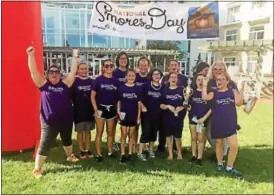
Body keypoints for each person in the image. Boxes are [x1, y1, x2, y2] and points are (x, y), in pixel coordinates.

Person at [27, 46, 79, 179]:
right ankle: (37, 169)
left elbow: (73, 72)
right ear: (48, 74)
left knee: (67, 139)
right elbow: (33, 72)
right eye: (51, 72)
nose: (54, 74)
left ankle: (69, 156)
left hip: (66, 119)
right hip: (49, 121)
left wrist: (75, 56)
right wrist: (31, 55)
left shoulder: (65, 83)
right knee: (45, 143)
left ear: (60, 74)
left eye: (56, 72)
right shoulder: (44, 84)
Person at [202, 72, 244, 179]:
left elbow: (239, 103)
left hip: (230, 122)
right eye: (217, 80)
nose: (219, 81)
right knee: (219, 143)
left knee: (234, 146)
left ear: (227, 81)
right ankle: (220, 163)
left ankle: (229, 167)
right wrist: (205, 84)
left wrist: (242, 89)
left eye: (221, 79)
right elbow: (204, 97)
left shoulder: (232, 91)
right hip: (218, 122)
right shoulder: (214, 93)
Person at [91, 59, 119, 162]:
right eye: (106, 66)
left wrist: (118, 110)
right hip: (100, 108)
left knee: (110, 132)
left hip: (111, 108)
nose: (109, 68)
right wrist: (96, 109)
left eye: (111, 66)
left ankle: (110, 151)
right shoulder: (98, 80)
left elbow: (118, 98)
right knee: (99, 132)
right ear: (103, 67)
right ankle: (98, 154)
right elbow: (92, 96)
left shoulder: (116, 81)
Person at [158, 59, 188, 153]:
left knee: (177, 130)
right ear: (168, 67)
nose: (174, 66)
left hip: (180, 111)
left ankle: (176, 149)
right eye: (172, 65)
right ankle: (162, 146)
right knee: (165, 130)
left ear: (178, 67)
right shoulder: (163, 78)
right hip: (166, 112)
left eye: (176, 65)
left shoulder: (184, 79)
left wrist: (183, 107)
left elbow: (187, 94)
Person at [71, 61, 95, 159]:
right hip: (78, 111)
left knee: (88, 132)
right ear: (77, 70)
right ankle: (81, 150)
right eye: (81, 68)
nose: (84, 70)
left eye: (85, 68)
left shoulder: (92, 82)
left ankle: (88, 149)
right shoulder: (74, 82)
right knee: (80, 132)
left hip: (89, 111)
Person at [138, 68, 163, 161]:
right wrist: (143, 107)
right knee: (146, 132)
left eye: (158, 74)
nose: (156, 76)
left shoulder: (163, 87)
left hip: (158, 114)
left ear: (160, 76)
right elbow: (139, 98)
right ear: (151, 76)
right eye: (154, 74)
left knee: (154, 133)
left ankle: (151, 150)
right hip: (147, 114)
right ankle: (140, 152)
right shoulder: (146, 86)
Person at [117, 69, 142, 163]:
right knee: (123, 135)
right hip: (123, 115)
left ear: (135, 77)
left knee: (131, 135)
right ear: (126, 77)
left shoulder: (137, 89)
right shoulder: (121, 88)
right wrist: (118, 112)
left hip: (133, 115)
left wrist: (138, 117)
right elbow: (119, 101)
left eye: (133, 76)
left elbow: (139, 104)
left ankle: (130, 153)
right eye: (129, 75)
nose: (131, 77)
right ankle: (123, 154)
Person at [188, 74, 211, 167]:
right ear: (195, 81)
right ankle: (193, 155)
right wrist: (187, 105)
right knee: (193, 138)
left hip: (202, 120)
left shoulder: (208, 94)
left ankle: (199, 157)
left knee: (201, 139)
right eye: (198, 80)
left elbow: (211, 108)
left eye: (202, 80)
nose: (200, 81)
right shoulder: (192, 93)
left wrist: (204, 118)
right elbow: (189, 106)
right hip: (193, 119)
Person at [112, 51, 130, 151]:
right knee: (114, 123)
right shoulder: (114, 73)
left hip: (128, 102)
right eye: (121, 58)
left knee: (126, 123)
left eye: (125, 58)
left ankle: (123, 140)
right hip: (117, 101)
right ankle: (113, 142)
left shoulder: (130, 72)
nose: (123, 60)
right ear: (118, 60)